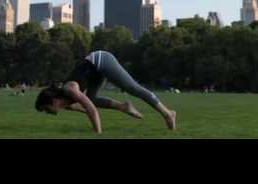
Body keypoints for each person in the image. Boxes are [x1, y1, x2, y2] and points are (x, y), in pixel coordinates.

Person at [35, 50, 176, 134]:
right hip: (95, 73)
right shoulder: (67, 104)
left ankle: (168, 113)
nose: (47, 112)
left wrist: (98, 133)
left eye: (46, 109)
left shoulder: (69, 90)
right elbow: (88, 108)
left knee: (133, 88)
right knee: (92, 98)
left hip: (101, 60)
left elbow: (91, 110)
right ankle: (123, 106)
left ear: (53, 101)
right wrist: (89, 111)